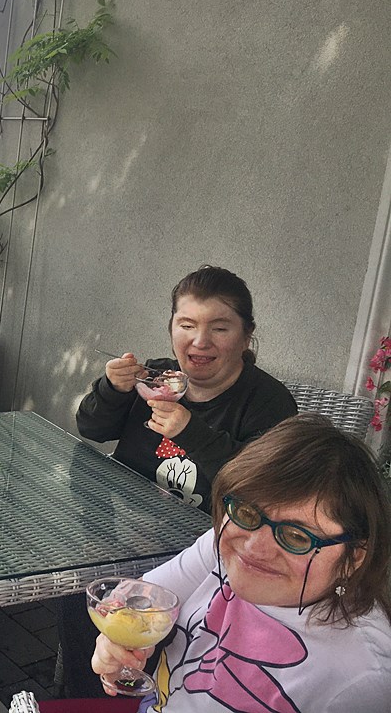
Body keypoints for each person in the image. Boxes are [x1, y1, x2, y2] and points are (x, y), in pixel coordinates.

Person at [67, 265, 298, 697]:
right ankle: (87, 696)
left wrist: (192, 432)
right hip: (120, 536)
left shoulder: (267, 402)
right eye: (187, 325)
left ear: (246, 336)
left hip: (201, 556)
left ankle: (150, 692)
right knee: (77, 587)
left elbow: (263, 491)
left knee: (107, 601)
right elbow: (92, 428)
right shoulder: (156, 380)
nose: (200, 341)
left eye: (219, 328)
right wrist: (112, 388)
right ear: (171, 327)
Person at [91, 414, 391, 711]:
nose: (253, 547)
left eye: (296, 536)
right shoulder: (225, 542)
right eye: (247, 512)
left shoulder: (360, 680)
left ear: (354, 556)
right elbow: (140, 598)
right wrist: (118, 645)